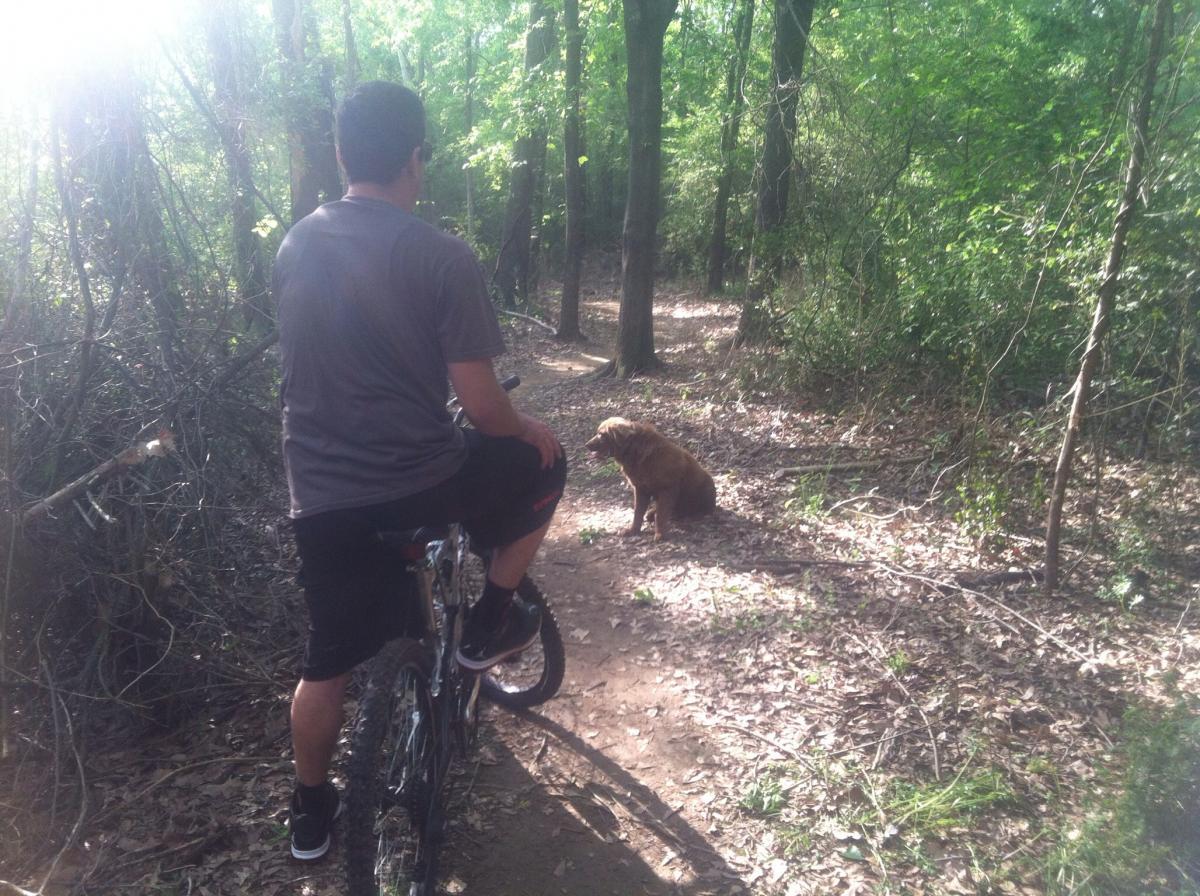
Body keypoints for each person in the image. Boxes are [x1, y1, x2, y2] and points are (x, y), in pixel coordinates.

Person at [273, 80, 566, 862]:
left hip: (321, 494)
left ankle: (308, 814)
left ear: (339, 154)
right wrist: (527, 426)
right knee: (545, 465)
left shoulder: (294, 245)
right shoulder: (441, 255)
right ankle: (492, 621)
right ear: (416, 159)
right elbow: (479, 406)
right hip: (421, 479)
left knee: (326, 664)